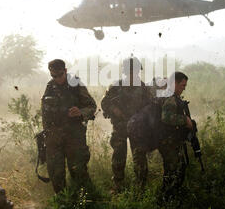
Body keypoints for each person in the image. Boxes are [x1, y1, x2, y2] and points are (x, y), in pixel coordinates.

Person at [41, 59, 97, 194]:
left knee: (78, 171)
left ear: (65, 71)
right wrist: (47, 134)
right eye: (54, 76)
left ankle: (86, 202)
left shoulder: (76, 84)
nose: (57, 79)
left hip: (74, 137)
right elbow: (44, 112)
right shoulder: (50, 87)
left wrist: (80, 112)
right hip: (55, 138)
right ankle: (62, 203)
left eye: (60, 75)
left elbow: (92, 106)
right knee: (56, 173)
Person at [101, 57, 153, 192]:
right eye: (130, 71)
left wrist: (142, 115)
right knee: (119, 154)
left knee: (139, 156)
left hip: (138, 128)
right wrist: (114, 110)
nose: (133, 74)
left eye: (135, 71)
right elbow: (105, 103)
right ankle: (118, 185)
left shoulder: (143, 88)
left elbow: (151, 106)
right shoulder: (115, 87)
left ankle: (141, 187)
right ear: (125, 71)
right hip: (120, 127)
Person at [158, 71, 194, 199]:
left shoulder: (174, 97)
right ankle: (166, 199)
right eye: (182, 85)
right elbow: (166, 118)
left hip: (172, 141)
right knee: (173, 171)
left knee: (176, 169)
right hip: (168, 142)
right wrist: (185, 120)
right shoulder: (170, 99)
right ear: (174, 83)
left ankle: (168, 197)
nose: (183, 88)